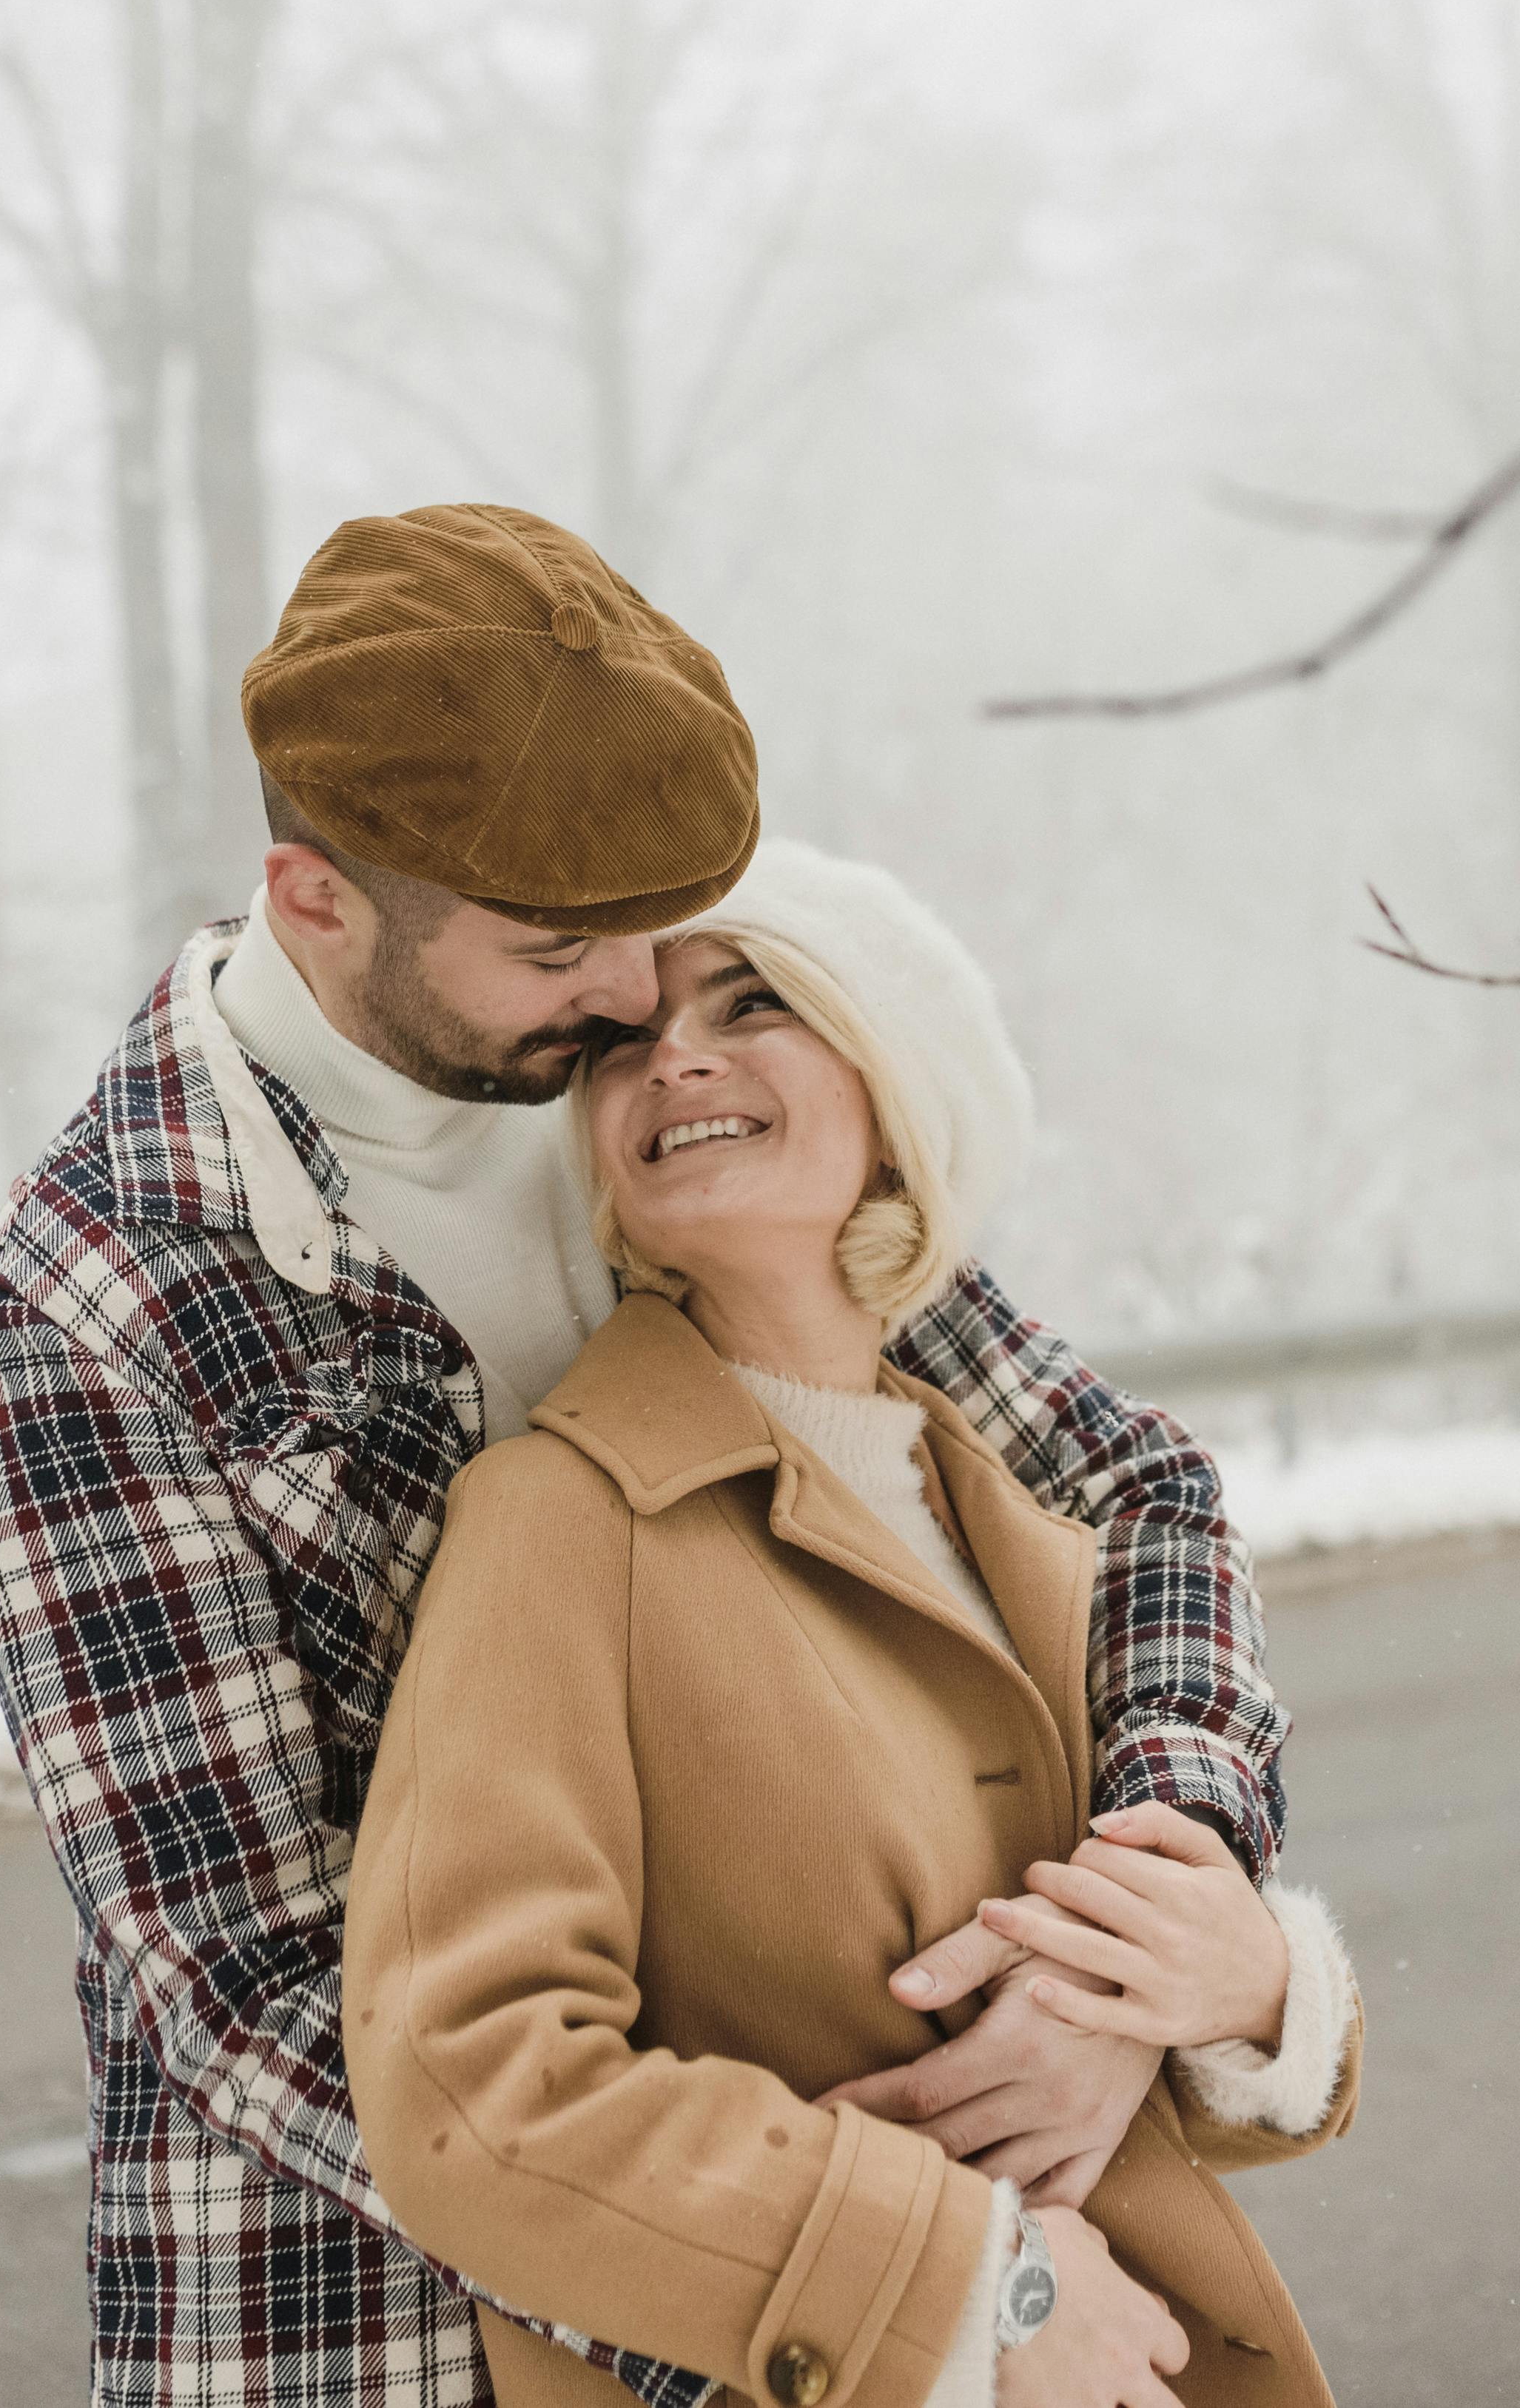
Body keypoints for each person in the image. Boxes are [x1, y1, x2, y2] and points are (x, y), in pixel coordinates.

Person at [0, 507, 1294, 2408]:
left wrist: (1129, 1946)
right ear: (314, 900)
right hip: (370, 2328)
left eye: (670, 923)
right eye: (561, 947)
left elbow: (1124, 1492)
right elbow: (246, 1991)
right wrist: (891, 2282)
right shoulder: (89, 1306)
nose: (643, 1000)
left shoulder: (662, 1122)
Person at [342, 840, 1360, 2408]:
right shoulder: (558, 1520)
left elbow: (1175, 2089)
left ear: (894, 1098)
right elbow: (473, 2094)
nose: (674, 1051)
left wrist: (1247, 1984)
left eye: (755, 1004)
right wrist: (971, 2283)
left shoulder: (1025, 1530)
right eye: (623, 1040)